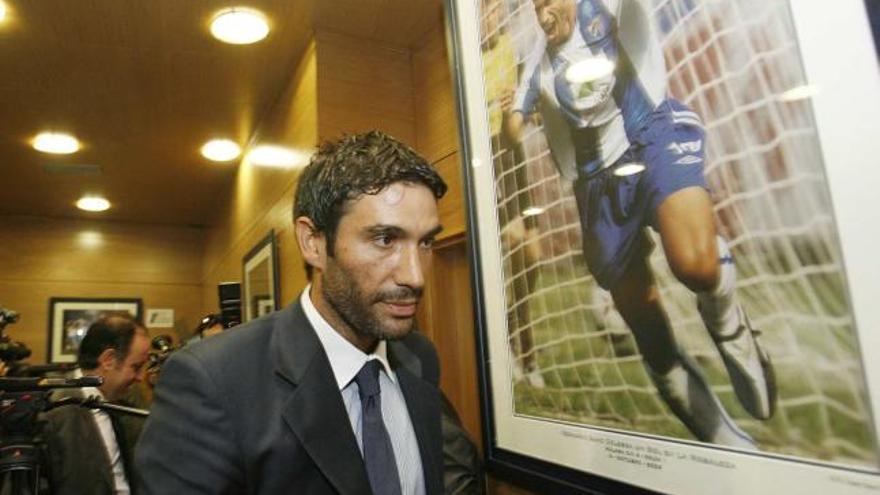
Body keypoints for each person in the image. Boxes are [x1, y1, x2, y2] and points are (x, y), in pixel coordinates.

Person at [501, 0, 776, 447]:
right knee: (646, 326)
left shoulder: (604, 8)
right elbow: (512, 124)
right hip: (596, 183)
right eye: (537, 7)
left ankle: (729, 324)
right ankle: (722, 437)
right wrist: (514, 119)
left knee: (695, 266)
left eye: (551, 2)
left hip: (650, 136)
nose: (545, 14)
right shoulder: (538, 62)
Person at [136, 131, 451, 494]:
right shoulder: (211, 382)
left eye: (426, 241)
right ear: (313, 243)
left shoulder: (419, 357)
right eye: (385, 239)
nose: (414, 275)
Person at [42, 315, 150, 494]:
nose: (140, 378)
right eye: (136, 367)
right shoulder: (57, 408)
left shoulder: (130, 397)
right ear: (109, 360)